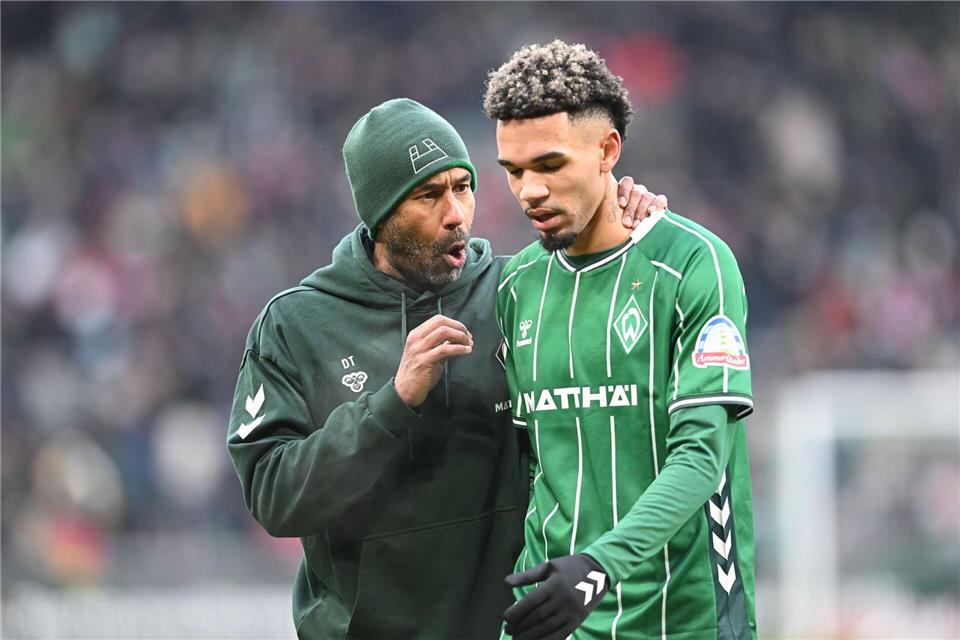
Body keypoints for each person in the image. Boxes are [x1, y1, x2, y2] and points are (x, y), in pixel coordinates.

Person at [226, 98, 667, 639]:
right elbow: (273, 498)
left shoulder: (519, 291)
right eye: (428, 195)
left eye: (463, 187)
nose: (456, 213)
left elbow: (617, 378)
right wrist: (393, 404)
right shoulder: (296, 325)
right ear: (380, 213)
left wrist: (626, 226)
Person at [485, 40, 757, 640]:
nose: (529, 191)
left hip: (679, 621)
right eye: (514, 171)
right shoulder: (515, 286)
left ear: (608, 151)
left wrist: (598, 567)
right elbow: (530, 467)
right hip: (549, 615)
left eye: (550, 165)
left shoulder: (695, 264)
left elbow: (700, 458)